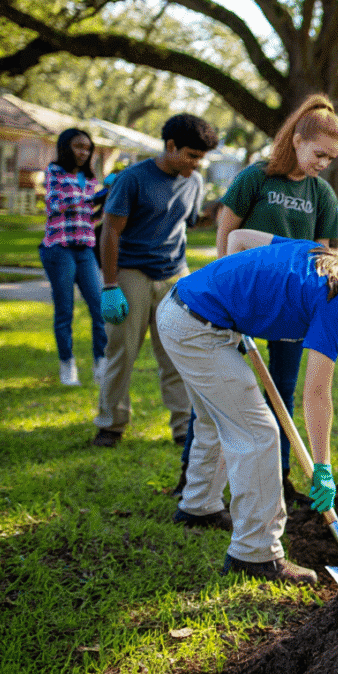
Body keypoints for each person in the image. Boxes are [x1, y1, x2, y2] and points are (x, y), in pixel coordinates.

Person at [158, 228, 338, 584]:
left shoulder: (318, 254)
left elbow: (240, 238)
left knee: (214, 417)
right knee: (259, 431)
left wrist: (230, 296)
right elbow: (316, 394)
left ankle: (199, 507)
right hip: (194, 328)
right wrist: (323, 467)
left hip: (187, 310)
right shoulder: (332, 301)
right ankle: (255, 554)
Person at [171, 94, 338, 504]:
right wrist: (223, 289)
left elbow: (322, 261)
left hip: (290, 309)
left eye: (331, 158)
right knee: (217, 394)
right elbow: (226, 229)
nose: (324, 163)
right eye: (319, 153)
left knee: (282, 392)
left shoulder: (322, 195)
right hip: (240, 302)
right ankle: (189, 477)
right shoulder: (257, 178)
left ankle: (280, 480)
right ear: (298, 140)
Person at [92, 114, 218, 448]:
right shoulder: (133, 179)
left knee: (178, 353)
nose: (194, 165)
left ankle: (182, 427)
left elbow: (190, 222)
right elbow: (110, 232)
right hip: (132, 272)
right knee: (122, 351)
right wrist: (110, 285)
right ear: (171, 145)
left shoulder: (193, 181)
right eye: (190, 155)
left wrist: (221, 211)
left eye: (200, 159)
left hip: (175, 273)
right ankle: (111, 423)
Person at [39, 128, 108, 387]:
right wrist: (94, 196)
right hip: (59, 248)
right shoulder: (54, 172)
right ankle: (67, 365)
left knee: (100, 308)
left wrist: (103, 202)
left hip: (85, 249)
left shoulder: (89, 179)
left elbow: (89, 218)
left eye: (87, 148)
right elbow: (56, 204)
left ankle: (101, 362)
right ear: (66, 147)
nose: (83, 152)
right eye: (78, 146)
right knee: (64, 311)